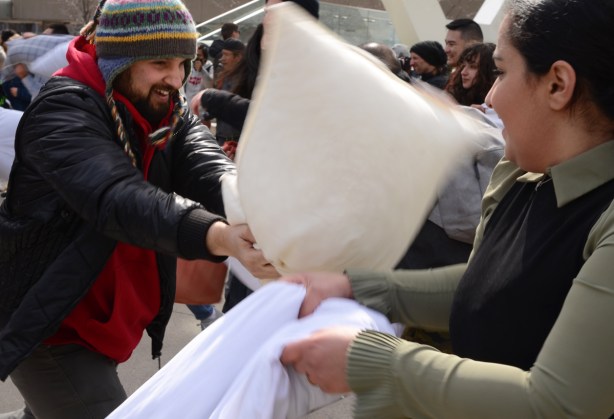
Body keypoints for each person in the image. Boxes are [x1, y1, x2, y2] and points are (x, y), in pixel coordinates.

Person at [280, 0, 614, 417]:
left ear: (557, 85)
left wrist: (372, 360)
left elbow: (558, 404)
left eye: (502, 72)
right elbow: (487, 287)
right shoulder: (522, 178)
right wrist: (358, 288)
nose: (490, 96)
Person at [0, 1, 278, 418]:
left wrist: (246, 199)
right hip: (52, 323)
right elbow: (116, 196)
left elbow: (203, 160)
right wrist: (218, 235)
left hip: (104, 318)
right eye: (160, 62)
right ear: (117, 61)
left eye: (184, 62)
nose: (176, 77)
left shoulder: (159, 105)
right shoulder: (63, 107)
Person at [191, 0, 320, 312]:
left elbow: (278, 119)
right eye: (266, 10)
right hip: (259, 212)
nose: (267, 17)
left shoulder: (313, 68)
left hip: (292, 220)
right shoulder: (267, 58)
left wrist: (215, 99)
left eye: (275, 10)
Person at [447, 42, 497, 106]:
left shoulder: (496, 102)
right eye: (464, 65)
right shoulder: (455, 94)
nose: (463, 72)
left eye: (473, 67)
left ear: (488, 70)